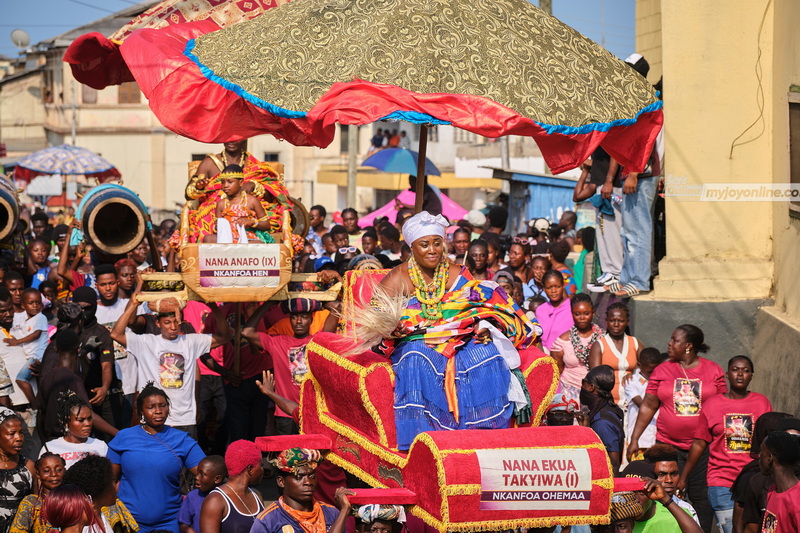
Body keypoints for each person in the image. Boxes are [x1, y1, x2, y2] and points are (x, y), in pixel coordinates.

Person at [359, 212, 538, 450]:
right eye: (425, 245)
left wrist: (483, 327)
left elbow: (476, 308)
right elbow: (376, 321)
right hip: (415, 340)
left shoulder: (457, 272)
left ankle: (482, 435)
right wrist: (395, 328)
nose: (432, 250)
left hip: (458, 337)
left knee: (486, 354)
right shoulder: (397, 277)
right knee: (416, 358)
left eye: (437, 243)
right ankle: (422, 442)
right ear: (412, 247)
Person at [627, 325, 726, 533]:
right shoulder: (663, 370)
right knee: (662, 494)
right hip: (667, 448)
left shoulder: (713, 370)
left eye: (675, 340)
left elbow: (722, 408)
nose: (669, 344)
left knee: (701, 498)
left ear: (688, 346)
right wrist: (634, 439)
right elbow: (648, 405)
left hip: (703, 450)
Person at [111, 283, 232, 436]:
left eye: (176, 321)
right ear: (157, 323)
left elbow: (225, 337)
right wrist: (134, 304)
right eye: (167, 322)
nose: (173, 326)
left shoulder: (191, 341)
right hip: (155, 419)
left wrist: (214, 308)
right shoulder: (146, 343)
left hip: (185, 419)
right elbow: (116, 334)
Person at [677, 356, 772, 533]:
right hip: (721, 481)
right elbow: (699, 443)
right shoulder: (712, 404)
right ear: (727, 375)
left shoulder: (762, 403)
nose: (740, 374)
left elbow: (770, 441)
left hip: (755, 479)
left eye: (746, 370)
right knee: (730, 529)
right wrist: (683, 478)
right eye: (736, 370)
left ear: (752, 375)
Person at [108, 382, 206, 532]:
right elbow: (110, 482)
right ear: (141, 411)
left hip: (170, 522)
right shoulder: (124, 438)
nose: (158, 411)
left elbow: (207, 474)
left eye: (163, 405)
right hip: (129, 522)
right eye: (151, 407)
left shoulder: (182, 440)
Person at [242, 298, 339, 436]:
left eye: (304, 317)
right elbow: (246, 332)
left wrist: (319, 302)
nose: (299, 321)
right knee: (286, 454)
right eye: (294, 317)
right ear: (289, 320)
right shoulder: (277, 342)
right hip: (285, 414)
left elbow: (336, 308)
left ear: (311, 320)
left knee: (313, 454)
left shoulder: (318, 340)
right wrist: (268, 305)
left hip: (314, 412)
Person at [250, 447, 353, 533]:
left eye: (312, 476)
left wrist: (344, 510)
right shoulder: (268, 520)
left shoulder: (331, 513)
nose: (308, 482)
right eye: (299, 477)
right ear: (281, 482)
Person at [199, 440, 264, 533]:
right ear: (250, 469)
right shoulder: (215, 501)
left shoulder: (257, 496)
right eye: (261, 465)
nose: (262, 470)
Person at [549, 293, 604, 403]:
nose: (582, 318)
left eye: (586, 313)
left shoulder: (602, 338)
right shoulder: (562, 341)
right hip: (570, 392)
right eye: (577, 314)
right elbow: (556, 372)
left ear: (593, 313)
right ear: (572, 314)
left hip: (596, 392)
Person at [63, 454, 138, 533]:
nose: (116, 485)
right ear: (100, 488)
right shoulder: (84, 526)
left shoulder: (102, 516)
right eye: (112, 481)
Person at [39, 390, 108, 469]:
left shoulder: (100, 446)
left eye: (89, 419)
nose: (87, 424)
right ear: (66, 422)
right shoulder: (50, 448)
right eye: (80, 420)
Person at [590, 303, 643, 404]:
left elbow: (648, 369)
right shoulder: (599, 345)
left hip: (632, 404)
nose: (616, 324)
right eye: (612, 320)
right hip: (608, 404)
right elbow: (595, 378)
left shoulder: (635, 343)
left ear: (627, 322)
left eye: (621, 321)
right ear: (606, 321)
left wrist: (635, 376)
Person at [205, 165, 272, 244]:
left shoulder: (252, 201)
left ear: (241, 183)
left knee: (257, 244)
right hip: (226, 238)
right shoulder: (221, 204)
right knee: (208, 239)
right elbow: (217, 227)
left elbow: (267, 225)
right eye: (223, 182)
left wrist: (252, 222)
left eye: (230, 182)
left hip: (248, 237)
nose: (225, 185)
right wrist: (219, 226)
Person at [577, 365, 624, 474]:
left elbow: (613, 463)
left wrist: (586, 434)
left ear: (591, 387)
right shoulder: (606, 409)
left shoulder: (602, 423)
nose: (582, 386)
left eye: (584, 382)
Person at [623, 348, 666, 457]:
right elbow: (645, 406)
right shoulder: (631, 382)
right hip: (641, 441)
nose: (653, 374)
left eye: (656, 370)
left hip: (658, 438)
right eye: (650, 371)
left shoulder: (663, 381)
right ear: (639, 365)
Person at [9, 452, 65, 533]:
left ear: (65, 471)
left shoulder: (72, 500)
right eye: (46, 471)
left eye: (59, 470)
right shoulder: (31, 503)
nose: (53, 474)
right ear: (38, 474)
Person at [9, 288, 47, 405]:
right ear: (23, 305)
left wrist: (18, 341)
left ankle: (35, 406)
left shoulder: (40, 317)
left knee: (21, 379)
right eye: (31, 303)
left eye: (38, 302)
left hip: (36, 357)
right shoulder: (26, 322)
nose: (35, 306)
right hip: (32, 357)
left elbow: (36, 335)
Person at [0, 407, 35, 532]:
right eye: (11, 433)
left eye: (21, 433)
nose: (19, 438)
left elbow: (36, 504)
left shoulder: (28, 466)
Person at [758, 431, 800, 532]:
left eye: (761, 452)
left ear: (769, 458)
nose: (758, 456)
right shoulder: (772, 490)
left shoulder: (797, 501)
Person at [179, 456, 226, 533]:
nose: (197, 477)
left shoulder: (225, 497)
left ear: (217, 479)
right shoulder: (192, 496)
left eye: (202, 474)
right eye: (197, 472)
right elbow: (183, 524)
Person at [535, 270, 573, 352]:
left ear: (563, 286)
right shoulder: (540, 310)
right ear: (544, 289)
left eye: (557, 286)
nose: (553, 291)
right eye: (549, 288)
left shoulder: (572, 308)